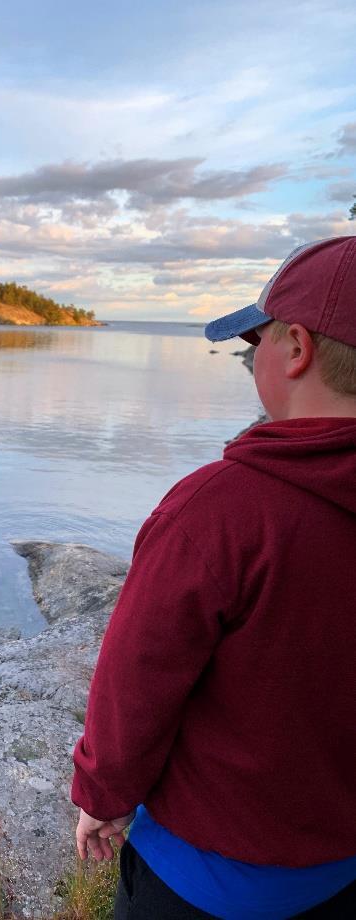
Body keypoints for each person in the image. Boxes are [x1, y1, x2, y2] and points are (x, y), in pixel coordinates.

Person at [70, 236, 356, 919]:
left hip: (204, 882)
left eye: (254, 342)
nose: (250, 358)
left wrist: (102, 798)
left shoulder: (222, 510)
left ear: (295, 349)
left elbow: (136, 678)